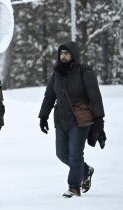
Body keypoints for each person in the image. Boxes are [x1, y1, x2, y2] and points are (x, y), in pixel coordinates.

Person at [38, 41, 106, 198]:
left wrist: (99, 120)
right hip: (61, 120)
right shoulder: (57, 74)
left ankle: (74, 187)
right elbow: (49, 96)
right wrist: (43, 116)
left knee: (75, 154)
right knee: (62, 154)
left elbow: (95, 97)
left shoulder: (84, 71)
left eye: (66, 53)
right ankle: (86, 170)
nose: (63, 56)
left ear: (73, 54)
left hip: (80, 120)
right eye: (61, 53)